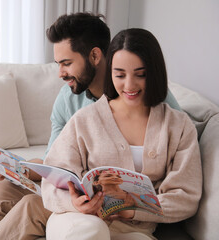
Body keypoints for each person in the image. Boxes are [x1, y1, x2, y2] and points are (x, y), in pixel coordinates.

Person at [0, 13, 181, 239]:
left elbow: (171, 144)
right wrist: (9, 167)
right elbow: (53, 164)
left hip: (105, 203)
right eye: (58, 64)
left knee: (31, 205)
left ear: (94, 56)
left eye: (66, 63)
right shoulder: (68, 99)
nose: (60, 74)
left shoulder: (145, 95)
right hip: (72, 191)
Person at [41, 28, 202, 240]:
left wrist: (132, 208)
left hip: (137, 228)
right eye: (119, 75)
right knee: (91, 232)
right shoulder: (84, 120)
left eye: (140, 74)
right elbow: (52, 178)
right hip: (79, 220)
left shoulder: (178, 125)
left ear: (154, 72)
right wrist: (74, 202)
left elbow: (186, 197)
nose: (129, 85)